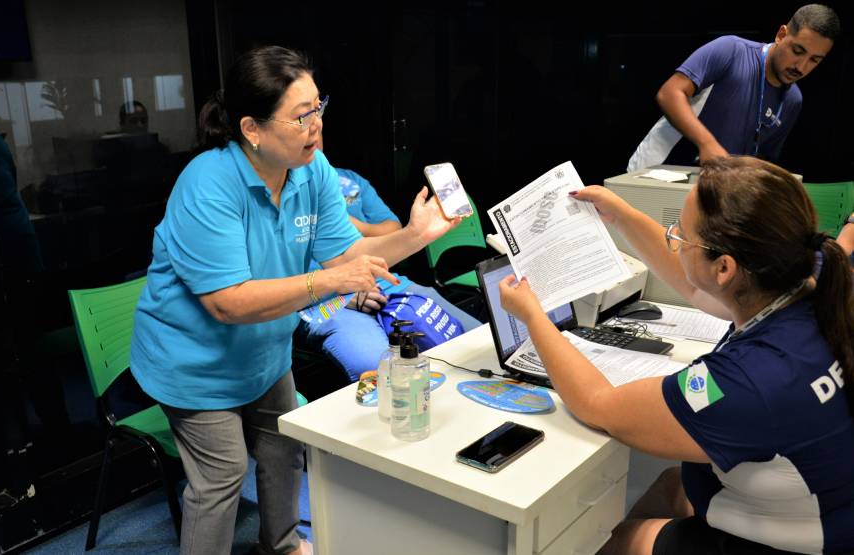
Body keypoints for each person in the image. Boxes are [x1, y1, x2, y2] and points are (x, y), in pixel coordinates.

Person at [129, 46, 457, 555]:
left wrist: (416, 235)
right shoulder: (208, 184)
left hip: (264, 351)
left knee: (284, 449)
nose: (316, 126)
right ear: (252, 129)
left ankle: (280, 546)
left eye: (318, 108)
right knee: (223, 476)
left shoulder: (312, 170)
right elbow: (228, 302)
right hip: (195, 361)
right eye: (301, 116)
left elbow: (347, 254)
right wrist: (327, 284)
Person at [499, 156, 854, 554]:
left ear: (725, 268)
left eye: (680, 237)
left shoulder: (748, 382)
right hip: (828, 507)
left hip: (801, 542)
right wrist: (624, 216)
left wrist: (532, 314)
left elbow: (598, 405)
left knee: (621, 542)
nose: (674, 241)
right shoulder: (812, 276)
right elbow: (696, 289)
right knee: (673, 483)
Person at [294, 134, 482, 381]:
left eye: (317, 114)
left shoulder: (346, 181)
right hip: (324, 303)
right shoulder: (280, 198)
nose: (313, 130)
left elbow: (378, 237)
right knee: (382, 374)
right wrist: (339, 291)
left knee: (479, 343)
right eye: (301, 117)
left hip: (383, 284)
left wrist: (415, 234)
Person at [627, 4, 840, 171]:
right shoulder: (730, 50)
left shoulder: (793, 100)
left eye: (815, 60)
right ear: (781, 35)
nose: (801, 66)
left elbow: (765, 157)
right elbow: (669, 93)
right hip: (661, 171)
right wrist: (707, 144)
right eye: (798, 50)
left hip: (715, 194)